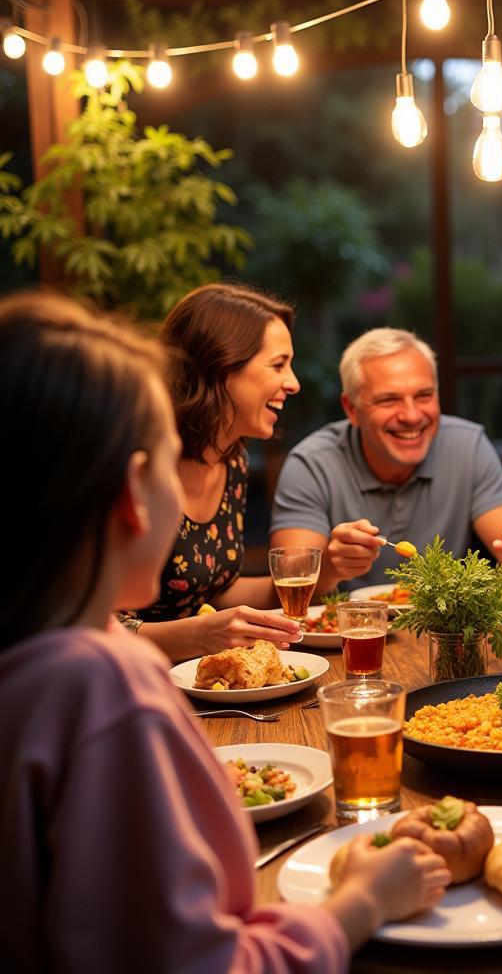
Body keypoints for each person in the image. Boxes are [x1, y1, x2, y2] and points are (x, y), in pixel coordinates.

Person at [0, 292, 451, 972]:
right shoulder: (104, 689)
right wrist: (361, 904)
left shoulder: (33, 662)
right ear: (132, 490)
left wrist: (319, 572)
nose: (294, 382)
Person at [271, 327, 502, 591]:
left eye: (424, 396)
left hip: (443, 632)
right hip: (347, 637)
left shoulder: (468, 446)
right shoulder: (311, 463)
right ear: (352, 409)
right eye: (388, 400)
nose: (412, 416)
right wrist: (332, 567)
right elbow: (290, 582)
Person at [124, 283, 305, 661]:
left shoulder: (231, 461)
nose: (293, 383)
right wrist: (199, 636)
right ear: (221, 366)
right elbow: (82, 627)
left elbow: (210, 589)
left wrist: (323, 572)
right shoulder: (134, 462)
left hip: (203, 684)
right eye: (278, 364)